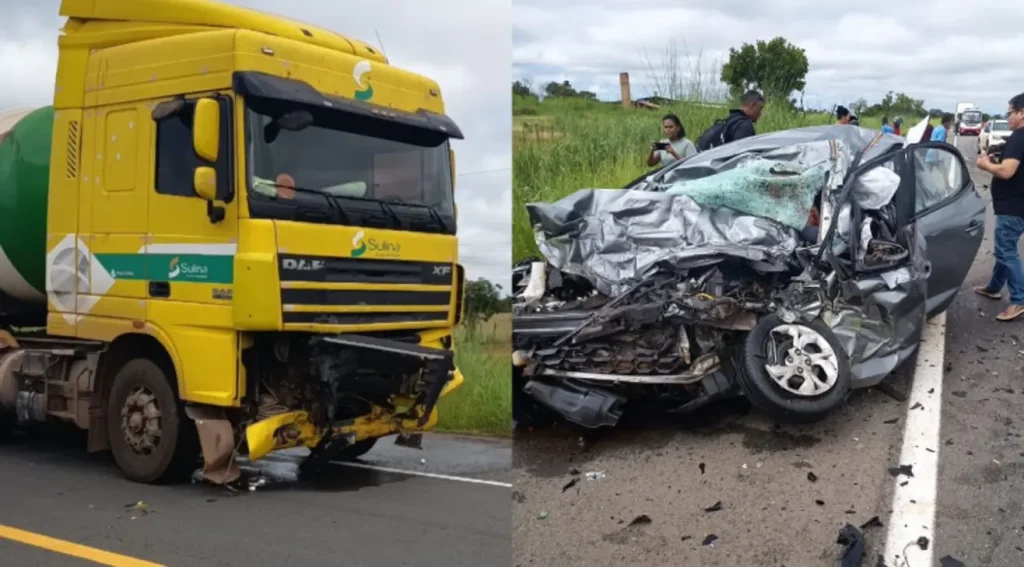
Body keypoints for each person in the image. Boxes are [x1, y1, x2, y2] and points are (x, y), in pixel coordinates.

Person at [974, 93, 1024, 321]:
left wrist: (985, 165)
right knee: (1005, 247)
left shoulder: (1018, 138)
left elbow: (1006, 171)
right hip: (1017, 204)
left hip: (1012, 206)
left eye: (1009, 113)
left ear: (1021, 113)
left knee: (1006, 250)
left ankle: (1019, 300)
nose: (1008, 118)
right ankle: (994, 287)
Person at [695, 90, 764, 150]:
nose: (761, 113)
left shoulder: (729, 121)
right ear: (752, 105)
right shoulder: (745, 126)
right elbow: (741, 156)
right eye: (760, 108)